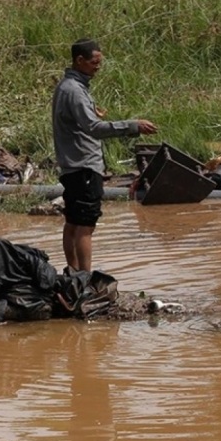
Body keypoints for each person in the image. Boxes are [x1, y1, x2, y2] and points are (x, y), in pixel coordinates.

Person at [52, 38, 157, 272]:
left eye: (99, 62)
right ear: (79, 60)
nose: (97, 67)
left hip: (72, 165)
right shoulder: (75, 91)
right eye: (93, 63)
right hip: (83, 166)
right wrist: (132, 125)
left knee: (72, 222)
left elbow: (77, 120)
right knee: (85, 226)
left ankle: (73, 273)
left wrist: (91, 113)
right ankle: (85, 278)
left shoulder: (68, 87)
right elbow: (93, 129)